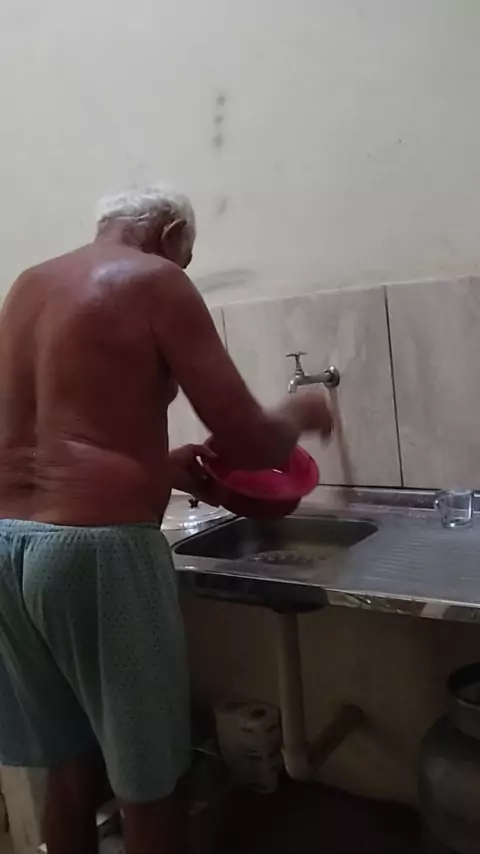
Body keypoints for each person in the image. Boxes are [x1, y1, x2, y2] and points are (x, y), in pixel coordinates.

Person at [0, 184, 333, 854]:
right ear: (172, 233)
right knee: (152, 787)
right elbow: (251, 441)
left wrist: (156, 467)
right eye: (188, 255)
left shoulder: (27, 285)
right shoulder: (155, 280)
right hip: (94, 556)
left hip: (8, 546)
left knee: (71, 770)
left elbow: (57, 445)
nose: (185, 267)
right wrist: (302, 413)